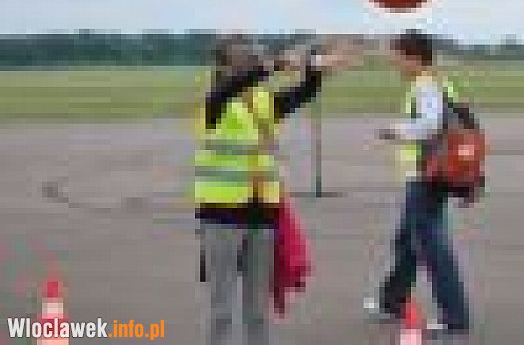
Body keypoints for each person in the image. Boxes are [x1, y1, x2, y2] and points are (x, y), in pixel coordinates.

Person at [195, 34, 353, 345]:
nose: (251, 62)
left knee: (257, 309)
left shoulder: (261, 102)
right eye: (244, 58)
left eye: (253, 57)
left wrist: (315, 69)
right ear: (223, 67)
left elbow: (303, 93)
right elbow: (234, 86)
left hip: (262, 214)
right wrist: (276, 65)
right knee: (221, 310)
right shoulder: (214, 102)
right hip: (221, 216)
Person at [366, 29, 472, 342]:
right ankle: (392, 302)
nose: (394, 64)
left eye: (397, 57)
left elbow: (429, 124)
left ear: (413, 58)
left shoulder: (425, 85)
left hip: (426, 176)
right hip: (431, 175)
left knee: (432, 247)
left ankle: (455, 317)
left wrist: (394, 130)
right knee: (406, 242)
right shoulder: (440, 82)